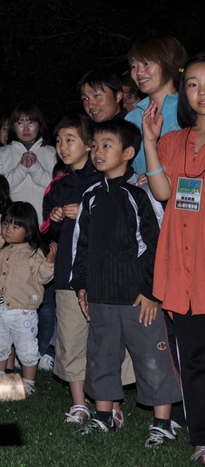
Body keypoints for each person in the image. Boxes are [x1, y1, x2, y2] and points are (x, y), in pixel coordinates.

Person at [71, 119, 182, 447]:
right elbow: (82, 245)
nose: (97, 151)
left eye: (107, 145)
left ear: (129, 152)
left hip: (138, 299)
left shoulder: (140, 195)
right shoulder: (91, 196)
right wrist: (82, 286)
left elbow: (156, 245)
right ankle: (105, 417)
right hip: (102, 296)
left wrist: (150, 291)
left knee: (152, 357)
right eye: (95, 145)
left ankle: (162, 424)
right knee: (101, 356)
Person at [41, 114, 127, 426]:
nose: (63, 146)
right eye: (59, 141)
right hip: (67, 274)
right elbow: (46, 232)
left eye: (70, 139)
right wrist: (56, 219)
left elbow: (120, 224)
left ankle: (113, 404)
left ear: (89, 145)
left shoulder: (105, 179)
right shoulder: (59, 186)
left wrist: (88, 212)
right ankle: (79, 405)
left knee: (107, 340)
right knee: (72, 339)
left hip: (104, 275)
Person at [143, 52, 205, 460]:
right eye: (194, 84)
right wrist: (149, 140)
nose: (202, 93)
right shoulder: (173, 140)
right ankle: (202, 437)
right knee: (194, 359)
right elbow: (163, 192)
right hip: (181, 266)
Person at [0, 202, 56, 396]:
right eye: (6, 224)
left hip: (23, 310)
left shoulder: (33, 252)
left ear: (28, 231)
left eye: (15, 226)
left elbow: (43, 277)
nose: (8, 230)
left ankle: (28, 382)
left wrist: (49, 261)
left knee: (26, 348)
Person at [124, 35, 188, 174]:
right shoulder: (132, 119)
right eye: (134, 66)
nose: (139, 72)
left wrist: (156, 177)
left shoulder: (190, 109)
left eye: (147, 63)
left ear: (169, 63)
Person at [0, 103, 57, 224]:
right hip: (11, 225)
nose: (26, 128)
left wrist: (35, 168)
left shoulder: (53, 152)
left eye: (31, 122)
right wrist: (21, 168)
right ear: (13, 127)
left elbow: (59, 186)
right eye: (20, 123)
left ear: (39, 125)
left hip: (47, 225)